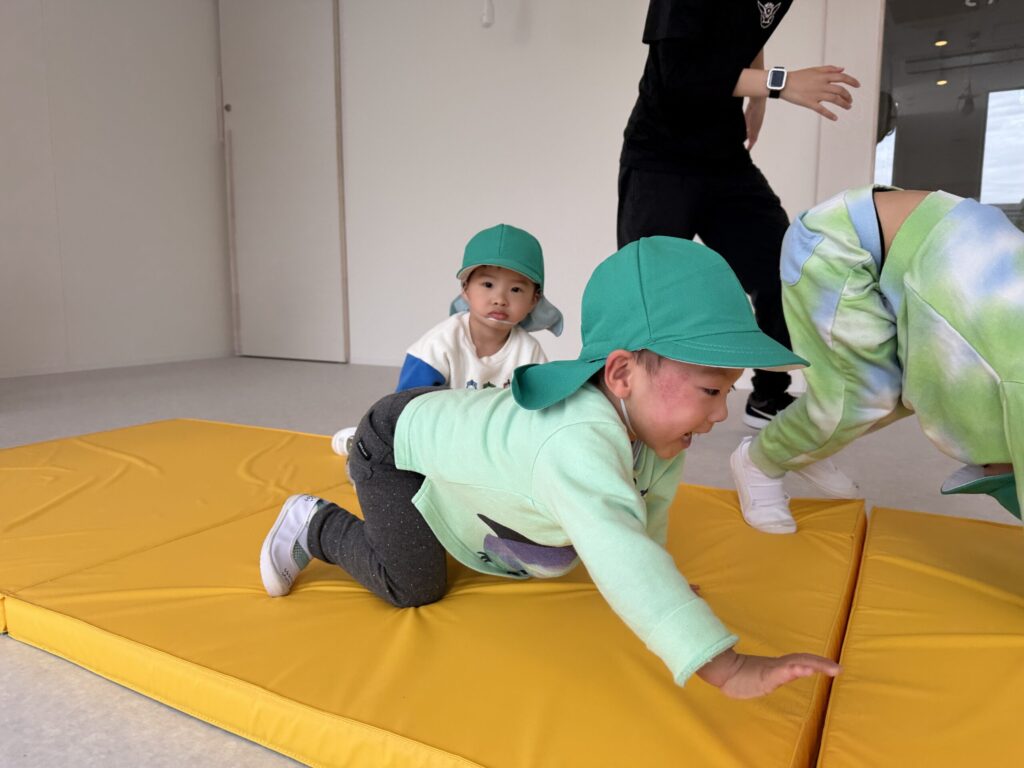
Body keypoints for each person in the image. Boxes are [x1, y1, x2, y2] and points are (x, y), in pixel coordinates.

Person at [261, 236, 841, 699]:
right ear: (621, 376)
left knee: (559, 545)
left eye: (729, 393)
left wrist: (662, 581)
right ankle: (313, 525)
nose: (720, 414)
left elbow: (645, 518)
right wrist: (727, 666)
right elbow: (617, 546)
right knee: (413, 586)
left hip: (456, 428)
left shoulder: (657, 435)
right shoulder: (579, 441)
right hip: (392, 443)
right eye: (711, 390)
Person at [617, 0, 860, 429]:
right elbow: (679, 75)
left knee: (786, 269)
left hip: (725, 158)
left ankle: (768, 395)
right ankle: (631, 415)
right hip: (661, 155)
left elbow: (750, 33)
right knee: (652, 293)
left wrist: (759, 100)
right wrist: (780, 84)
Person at [730, 186, 1023, 533]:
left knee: (887, 395)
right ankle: (761, 461)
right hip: (836, 242)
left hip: (914, 236)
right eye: (988, 469)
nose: (980, 465)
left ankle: (807, 445)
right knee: (860, 399)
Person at [330, 223, 563, 455]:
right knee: (393, 453)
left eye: (515, 290)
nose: (499, 299)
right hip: (438, 435)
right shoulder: (440, 344)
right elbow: (407, 407)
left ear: (534, 299)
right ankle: (360, 444)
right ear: (465, 289)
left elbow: (539, 411)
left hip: (494, 442)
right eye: (488, 285)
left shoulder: (529, 353)